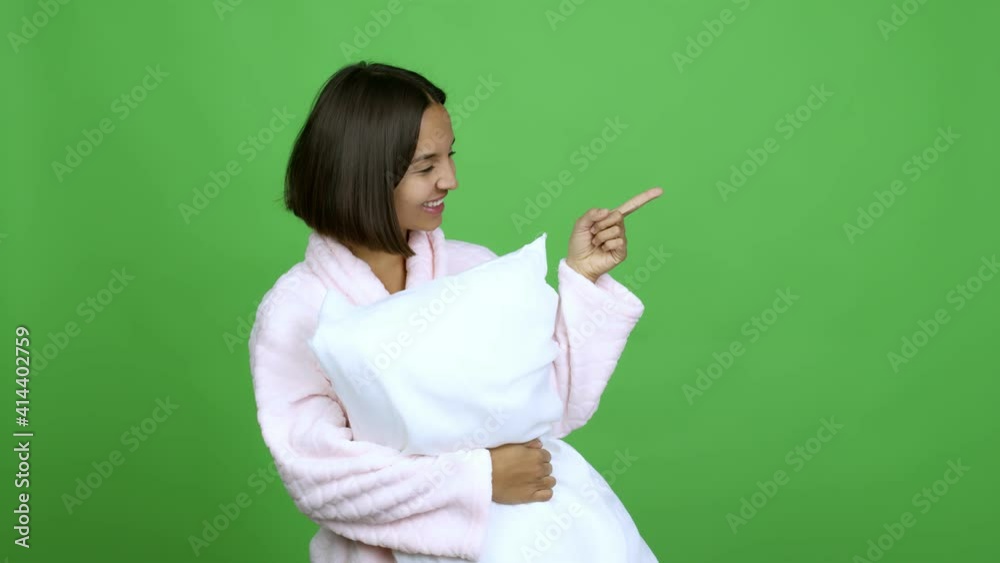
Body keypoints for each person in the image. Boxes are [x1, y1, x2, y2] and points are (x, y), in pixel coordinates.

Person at [248, 61, 662, 562]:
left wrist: (581, 277)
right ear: (363, 173)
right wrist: (480, 477)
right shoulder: (297, 310)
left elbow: (551, 404)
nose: (451, 179)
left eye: (449, 157)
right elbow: (320, 480)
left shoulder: (473, 270)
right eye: (426, 167)